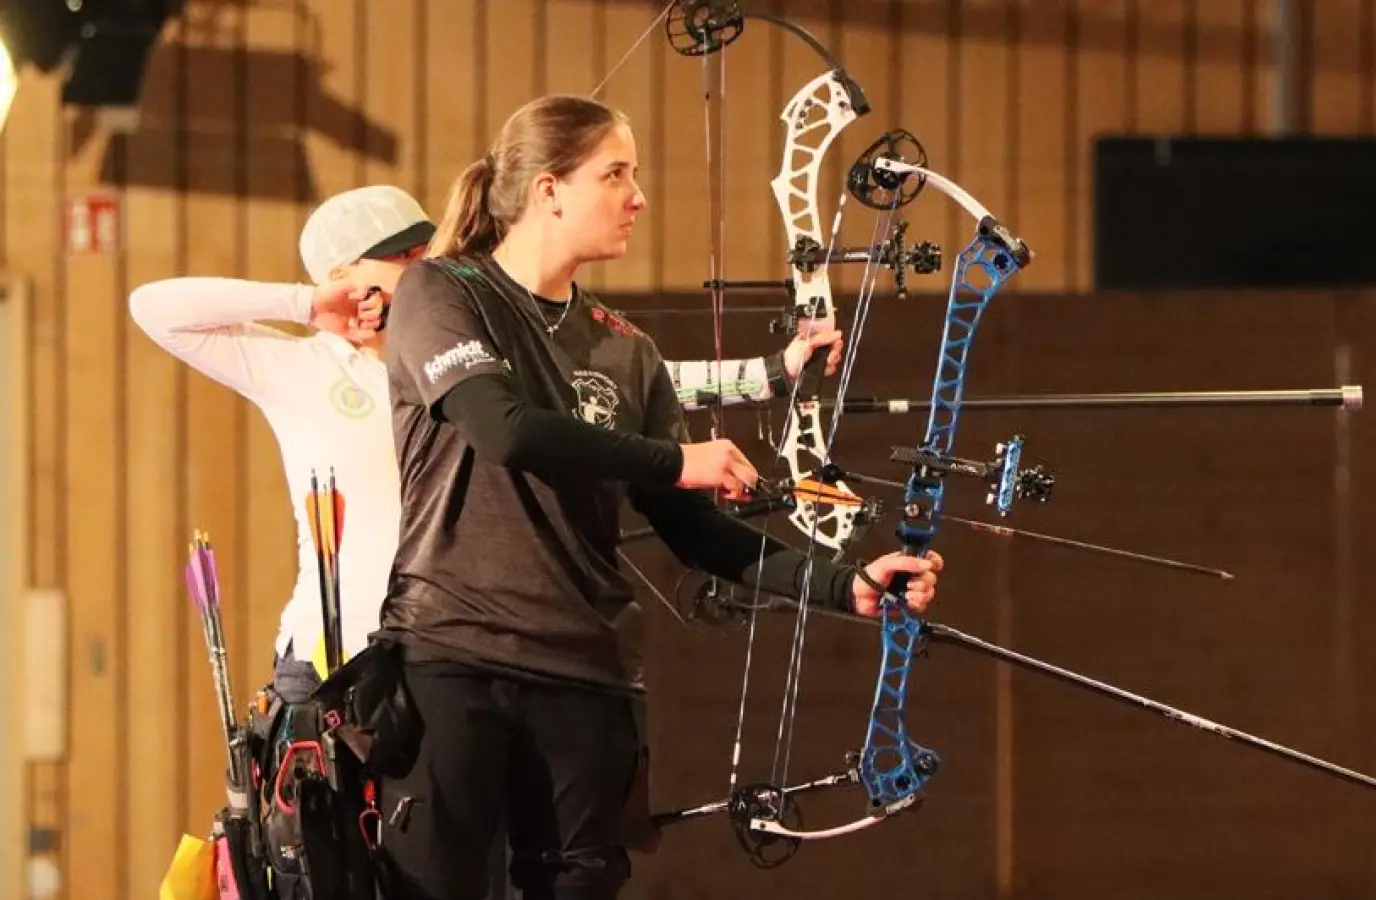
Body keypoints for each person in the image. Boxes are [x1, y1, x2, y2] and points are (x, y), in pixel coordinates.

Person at [372, 93, 945, 900]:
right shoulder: (441, 291)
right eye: (615, 174)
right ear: (548, 190)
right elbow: (503, 429)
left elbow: (694, 530)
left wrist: (843, 582)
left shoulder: (626, 349)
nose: (637, 196)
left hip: (587, 674)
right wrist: (677, 459)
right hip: (454, 658)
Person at [127, 184, 845, 707]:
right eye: (401, 257)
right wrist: (307, 305)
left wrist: (769, 374)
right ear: (344, 275)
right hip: (332, 659)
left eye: (426, 253)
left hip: (445, 654)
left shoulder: (467, 357)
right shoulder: (301, 367)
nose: (424, 270)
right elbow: (154, 309)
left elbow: (618, 383)